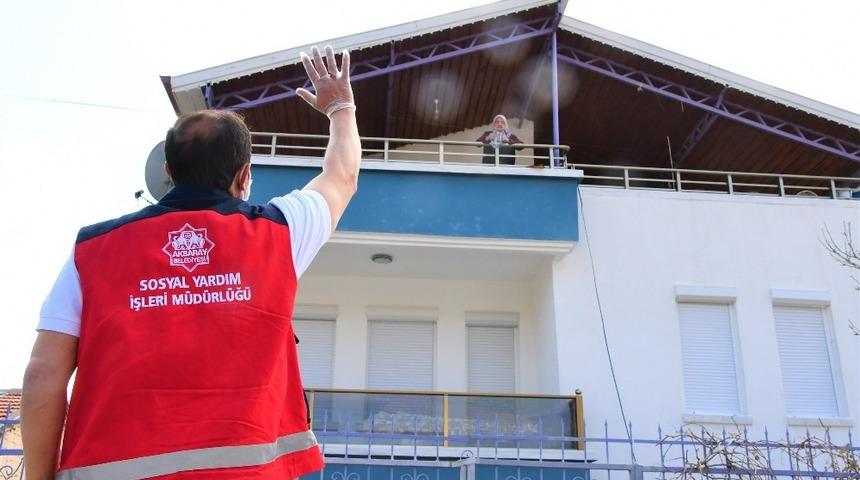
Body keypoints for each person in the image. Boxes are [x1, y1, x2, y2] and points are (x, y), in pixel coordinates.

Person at [21, 45, 359, 480]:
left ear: (168, 170)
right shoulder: (281, 232)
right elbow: (342, 175)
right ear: (244, 176)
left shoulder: (93, 250)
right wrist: (340, 109)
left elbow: (43, 373)